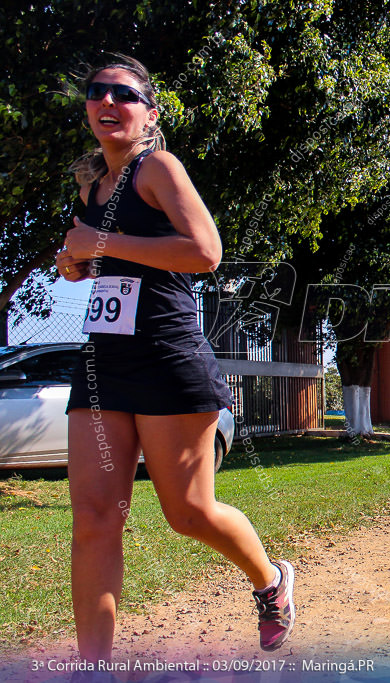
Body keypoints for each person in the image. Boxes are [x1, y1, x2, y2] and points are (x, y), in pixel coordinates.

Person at [57, 55, 295, 662]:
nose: (108, 101)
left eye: (124, 94)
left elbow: (205, 251)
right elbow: (104, 260)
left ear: (149, 113)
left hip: (168, 360)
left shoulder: (157, 167)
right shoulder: (89, 186)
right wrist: (76, 263)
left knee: (188, 513)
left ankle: (270, 580)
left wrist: (100, 243)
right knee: (94, 518)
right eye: (97, 91)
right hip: (104, 365)